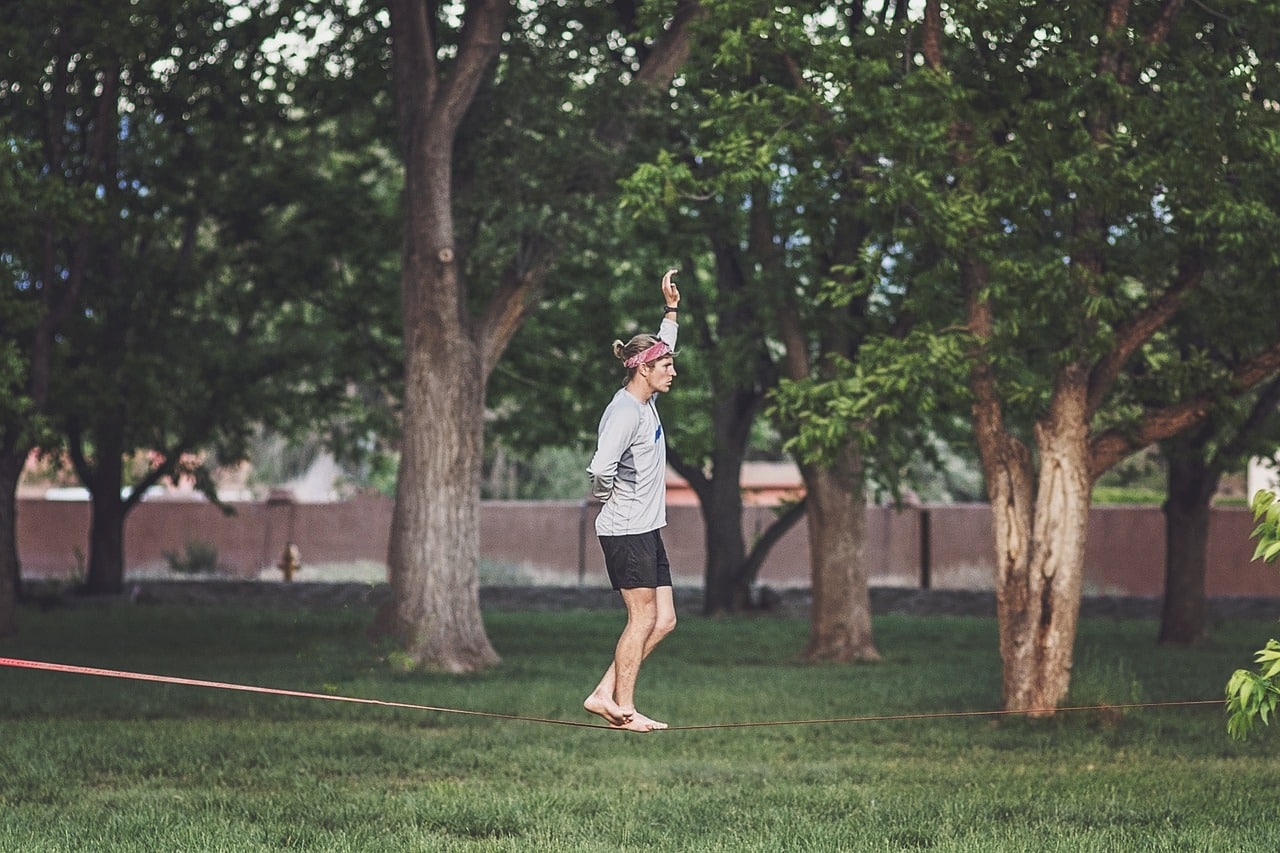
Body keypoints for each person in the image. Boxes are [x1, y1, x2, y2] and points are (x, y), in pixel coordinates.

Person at [582, 268, 681, 732]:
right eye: (667, 366)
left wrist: (671, 310)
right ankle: (623, 708)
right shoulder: (624, 413)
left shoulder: (646, 402)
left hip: (645, 528)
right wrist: (610, 499)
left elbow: (661, 343)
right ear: (645, 369)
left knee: (664, 622)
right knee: (641, 618)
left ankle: (604, 692)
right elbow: (600, 468)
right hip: (625, 529)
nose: (673, 372)